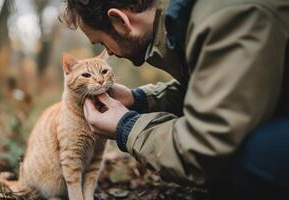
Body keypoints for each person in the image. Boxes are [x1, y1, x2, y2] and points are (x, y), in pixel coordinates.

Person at [60, 0, 289, 199]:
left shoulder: (227, 19)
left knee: (253, 155)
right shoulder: (185, 17)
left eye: (101, 43)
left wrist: (126, 127)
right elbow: (215, 88)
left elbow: (206, 148)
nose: (107, 53)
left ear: (120, 20)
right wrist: (138, 99)